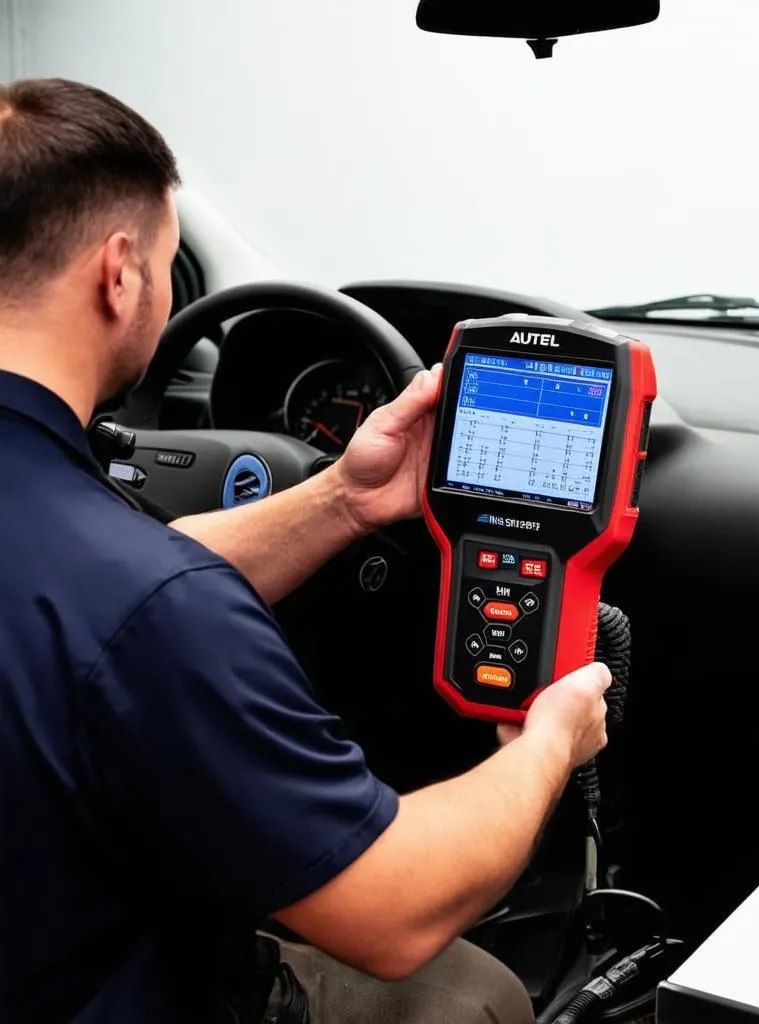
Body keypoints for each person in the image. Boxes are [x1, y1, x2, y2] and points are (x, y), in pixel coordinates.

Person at [0, 78, 612, 1024]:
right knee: (472, 995)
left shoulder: (107, 583)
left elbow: (82, 599)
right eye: (169, 264)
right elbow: (393, 908)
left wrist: (344, 499)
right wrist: (550, 742)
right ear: (119, 273)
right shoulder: (154, 609)